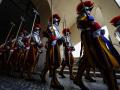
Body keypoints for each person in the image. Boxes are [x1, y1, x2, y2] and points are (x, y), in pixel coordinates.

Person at [73, 1, 119, 90]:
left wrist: (98, 29)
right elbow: (80, 24)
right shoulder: (82, 18)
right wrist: (88, 21)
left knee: (88, 58)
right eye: (88, 9)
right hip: (90, 38)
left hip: (95, 38)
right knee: (103, 62)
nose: (89, 10)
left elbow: (93, 26)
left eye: (89, 9)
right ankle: (112, 86)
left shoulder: (89, 18)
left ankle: (78, 78)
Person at [40, 14, 64, 89]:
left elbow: (58, 37)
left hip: (56, 45)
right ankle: (54, 81)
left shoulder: (57, 29)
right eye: (56, 20)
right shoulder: (50, 27)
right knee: (52, 62)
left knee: (53, 62)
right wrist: (52, 38)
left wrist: (61, 39)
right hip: (52, 45)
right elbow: (46, 33)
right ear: (53, 20)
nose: (57, 22)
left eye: (58, 21)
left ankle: (43, 73)